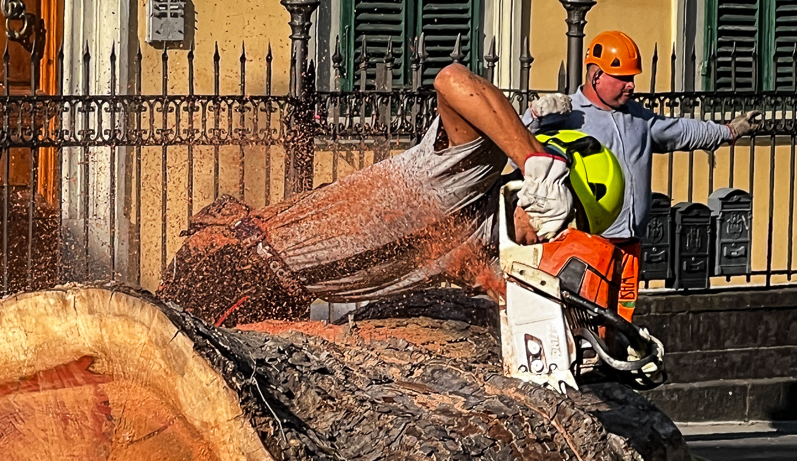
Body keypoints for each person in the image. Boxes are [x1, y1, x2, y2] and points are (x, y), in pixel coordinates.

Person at [160, 62, 604, 326]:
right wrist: (535, 160)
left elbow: (504, 292)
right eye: (563, 221)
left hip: (274, 298)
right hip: (233, 266)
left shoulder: (482, 239)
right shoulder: (467, 175)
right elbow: (452, 79)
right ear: (543, 192)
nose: (551, 237)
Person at [526, 30, 763, 320]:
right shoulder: (567, 113)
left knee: (621, 322)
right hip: (584, 245)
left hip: (629, 246)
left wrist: (729, 131)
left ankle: (617, 362)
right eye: (623, 78)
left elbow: (681, 130)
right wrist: (535, 117)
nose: (631, 86)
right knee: (585, 321)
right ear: (596, 75)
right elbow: (520, 146)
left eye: (633, 78)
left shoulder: (638, 118)